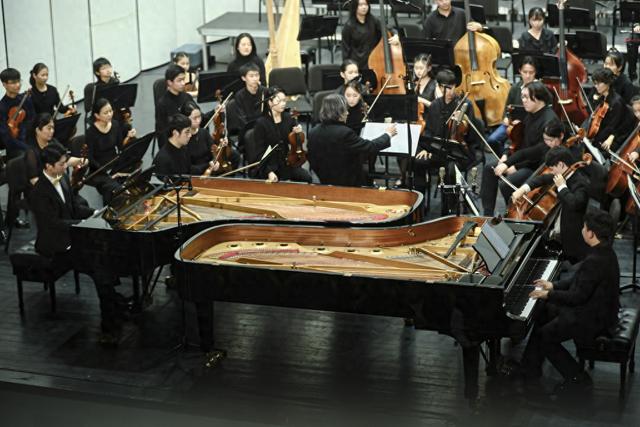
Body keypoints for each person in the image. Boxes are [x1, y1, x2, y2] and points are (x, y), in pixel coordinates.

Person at [29, 142, 124, 345]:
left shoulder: (61, 178)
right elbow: (53, 224)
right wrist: (81, 224)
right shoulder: (39, 192)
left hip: (71, 235)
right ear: (48, 166)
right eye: (62, 164)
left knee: (105, 257)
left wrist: (94, 213)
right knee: (99, 267)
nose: (66, 167)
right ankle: (109, 327)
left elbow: (73, 207)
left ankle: (115, 305)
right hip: (56, 244)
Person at [520, 209, 619, 394]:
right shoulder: (604, 251)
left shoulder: (595, 260)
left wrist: (548, 295)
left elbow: (576, 297)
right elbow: (579, 281)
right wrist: (553, 286)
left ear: (591, 233)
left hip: (592, 319)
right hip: (596, 309)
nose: (582, 230)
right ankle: (529, 369)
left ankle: (576, 377)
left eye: (584, 227)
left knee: (545, 336)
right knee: (544, 311)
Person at [480, 81, 558, 216]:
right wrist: (506, 155)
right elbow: (517, 141)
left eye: (527, 97)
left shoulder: (549, 120)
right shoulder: (531, 114)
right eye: (523, 97)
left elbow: (537, 154)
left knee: (507, 184)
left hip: (535, 167)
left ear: (538, 98)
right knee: (489, 168)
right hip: (521, 160)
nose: (523, 101)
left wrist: (514, 166)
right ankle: (487, 215)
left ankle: (513, 215)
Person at [511, 146, 590, 263]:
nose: (551, 172)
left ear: (561, 164)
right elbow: (542, 179)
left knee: (530, 244)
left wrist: (562, 187)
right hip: (556, 225)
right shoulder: (563, 174)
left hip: (567, 238)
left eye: (552, 169)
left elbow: (575, 204)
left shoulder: (581, 183)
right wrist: (522, 189)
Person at [308, 93, 395, 187]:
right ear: (338, 112)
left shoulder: (313, 132)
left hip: (322, 180)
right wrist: (388, 135)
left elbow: (312, 159)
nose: (347, 113)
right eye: (345, 110)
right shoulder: (345, 133)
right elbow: (370, 147)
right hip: (348, 182)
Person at [253, 87, 311, 183]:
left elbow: (293, 142)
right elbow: (259, 152)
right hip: (269, 164)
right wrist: (269, 172)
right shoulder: (261, 123)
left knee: (307, 178)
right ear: (270, 102)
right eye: (279, 101)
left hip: (287, 162)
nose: (283, 103)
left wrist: (297, 133)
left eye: (284, 100)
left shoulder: (288, 118)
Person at [85, 98, 136, 203]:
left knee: (134, 176)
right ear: (97, 115)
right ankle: (109, 207)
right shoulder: (91, 132)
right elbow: (90, 158)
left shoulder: (115, 124)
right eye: (105, 113)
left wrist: (128, 137)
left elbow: (120, 147)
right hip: (99, 168)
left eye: (110, 111)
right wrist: (106, 172)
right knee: (113, 188)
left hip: (114, 162)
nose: (109, 114)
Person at [486, 56, 538, 155]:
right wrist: (506, 117)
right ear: (520, 71)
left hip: (531, 125)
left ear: (535, 72)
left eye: (531, 72)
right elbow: (507, 107)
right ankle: (504, 157)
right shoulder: (515, 88)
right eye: (525, 72)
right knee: (492, 140)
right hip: (513, 123)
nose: (527, 76)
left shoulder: (540, 89)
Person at [25, 113, 85, 186]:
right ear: (38, 130)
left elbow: (66, 159)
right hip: (42, 187)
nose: (52, 131)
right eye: (49, 128)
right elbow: (34, 180)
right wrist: (53, 187)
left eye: (53, 128)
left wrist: (81, 160)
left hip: (55, 179)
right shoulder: (31, 152)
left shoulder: (53, 141)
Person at [153, 113, 219, 179]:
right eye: (187, 132)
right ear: (175, 133)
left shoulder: (183, 148)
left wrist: (209, 165)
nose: (190, 135)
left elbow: (189, 170)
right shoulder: (162, 159)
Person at [341, 0, 399, 70]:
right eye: (360, 5)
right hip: (357, 64)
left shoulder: (373, 20)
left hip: (374, 61)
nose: (364, 7)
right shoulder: (348, 26)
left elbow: (388, 28)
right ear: (355, 6)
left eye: (366, 4)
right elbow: (345, 50)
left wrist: (396, 35)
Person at [582, 68, 628, 152]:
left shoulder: (616, 102)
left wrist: (592, 139)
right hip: (602, 132)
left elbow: (612, 127)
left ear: (608, 82)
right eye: (595, 83)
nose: (596, 86)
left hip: (609, 138)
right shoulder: (602, 97)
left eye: (599, 83)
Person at [155, 64, 193, 148]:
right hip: (175, 145)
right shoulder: (162, 104)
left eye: (183, 79)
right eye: (179, 80)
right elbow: (161, 133)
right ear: (169, 82)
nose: (183, 83)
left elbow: (199, 116)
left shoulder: (187, 97)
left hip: (189, 140)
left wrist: (214, 111)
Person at [0, 68, 36, 159]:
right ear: (4, 84)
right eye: (13, 83)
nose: (18, 85)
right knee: (28, 156)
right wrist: (27, 148)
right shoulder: (2, 107)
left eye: (19, 81)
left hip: (30, 139)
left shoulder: (26, 99)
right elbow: (7, 138)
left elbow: (34, 120)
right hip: (15, 146)